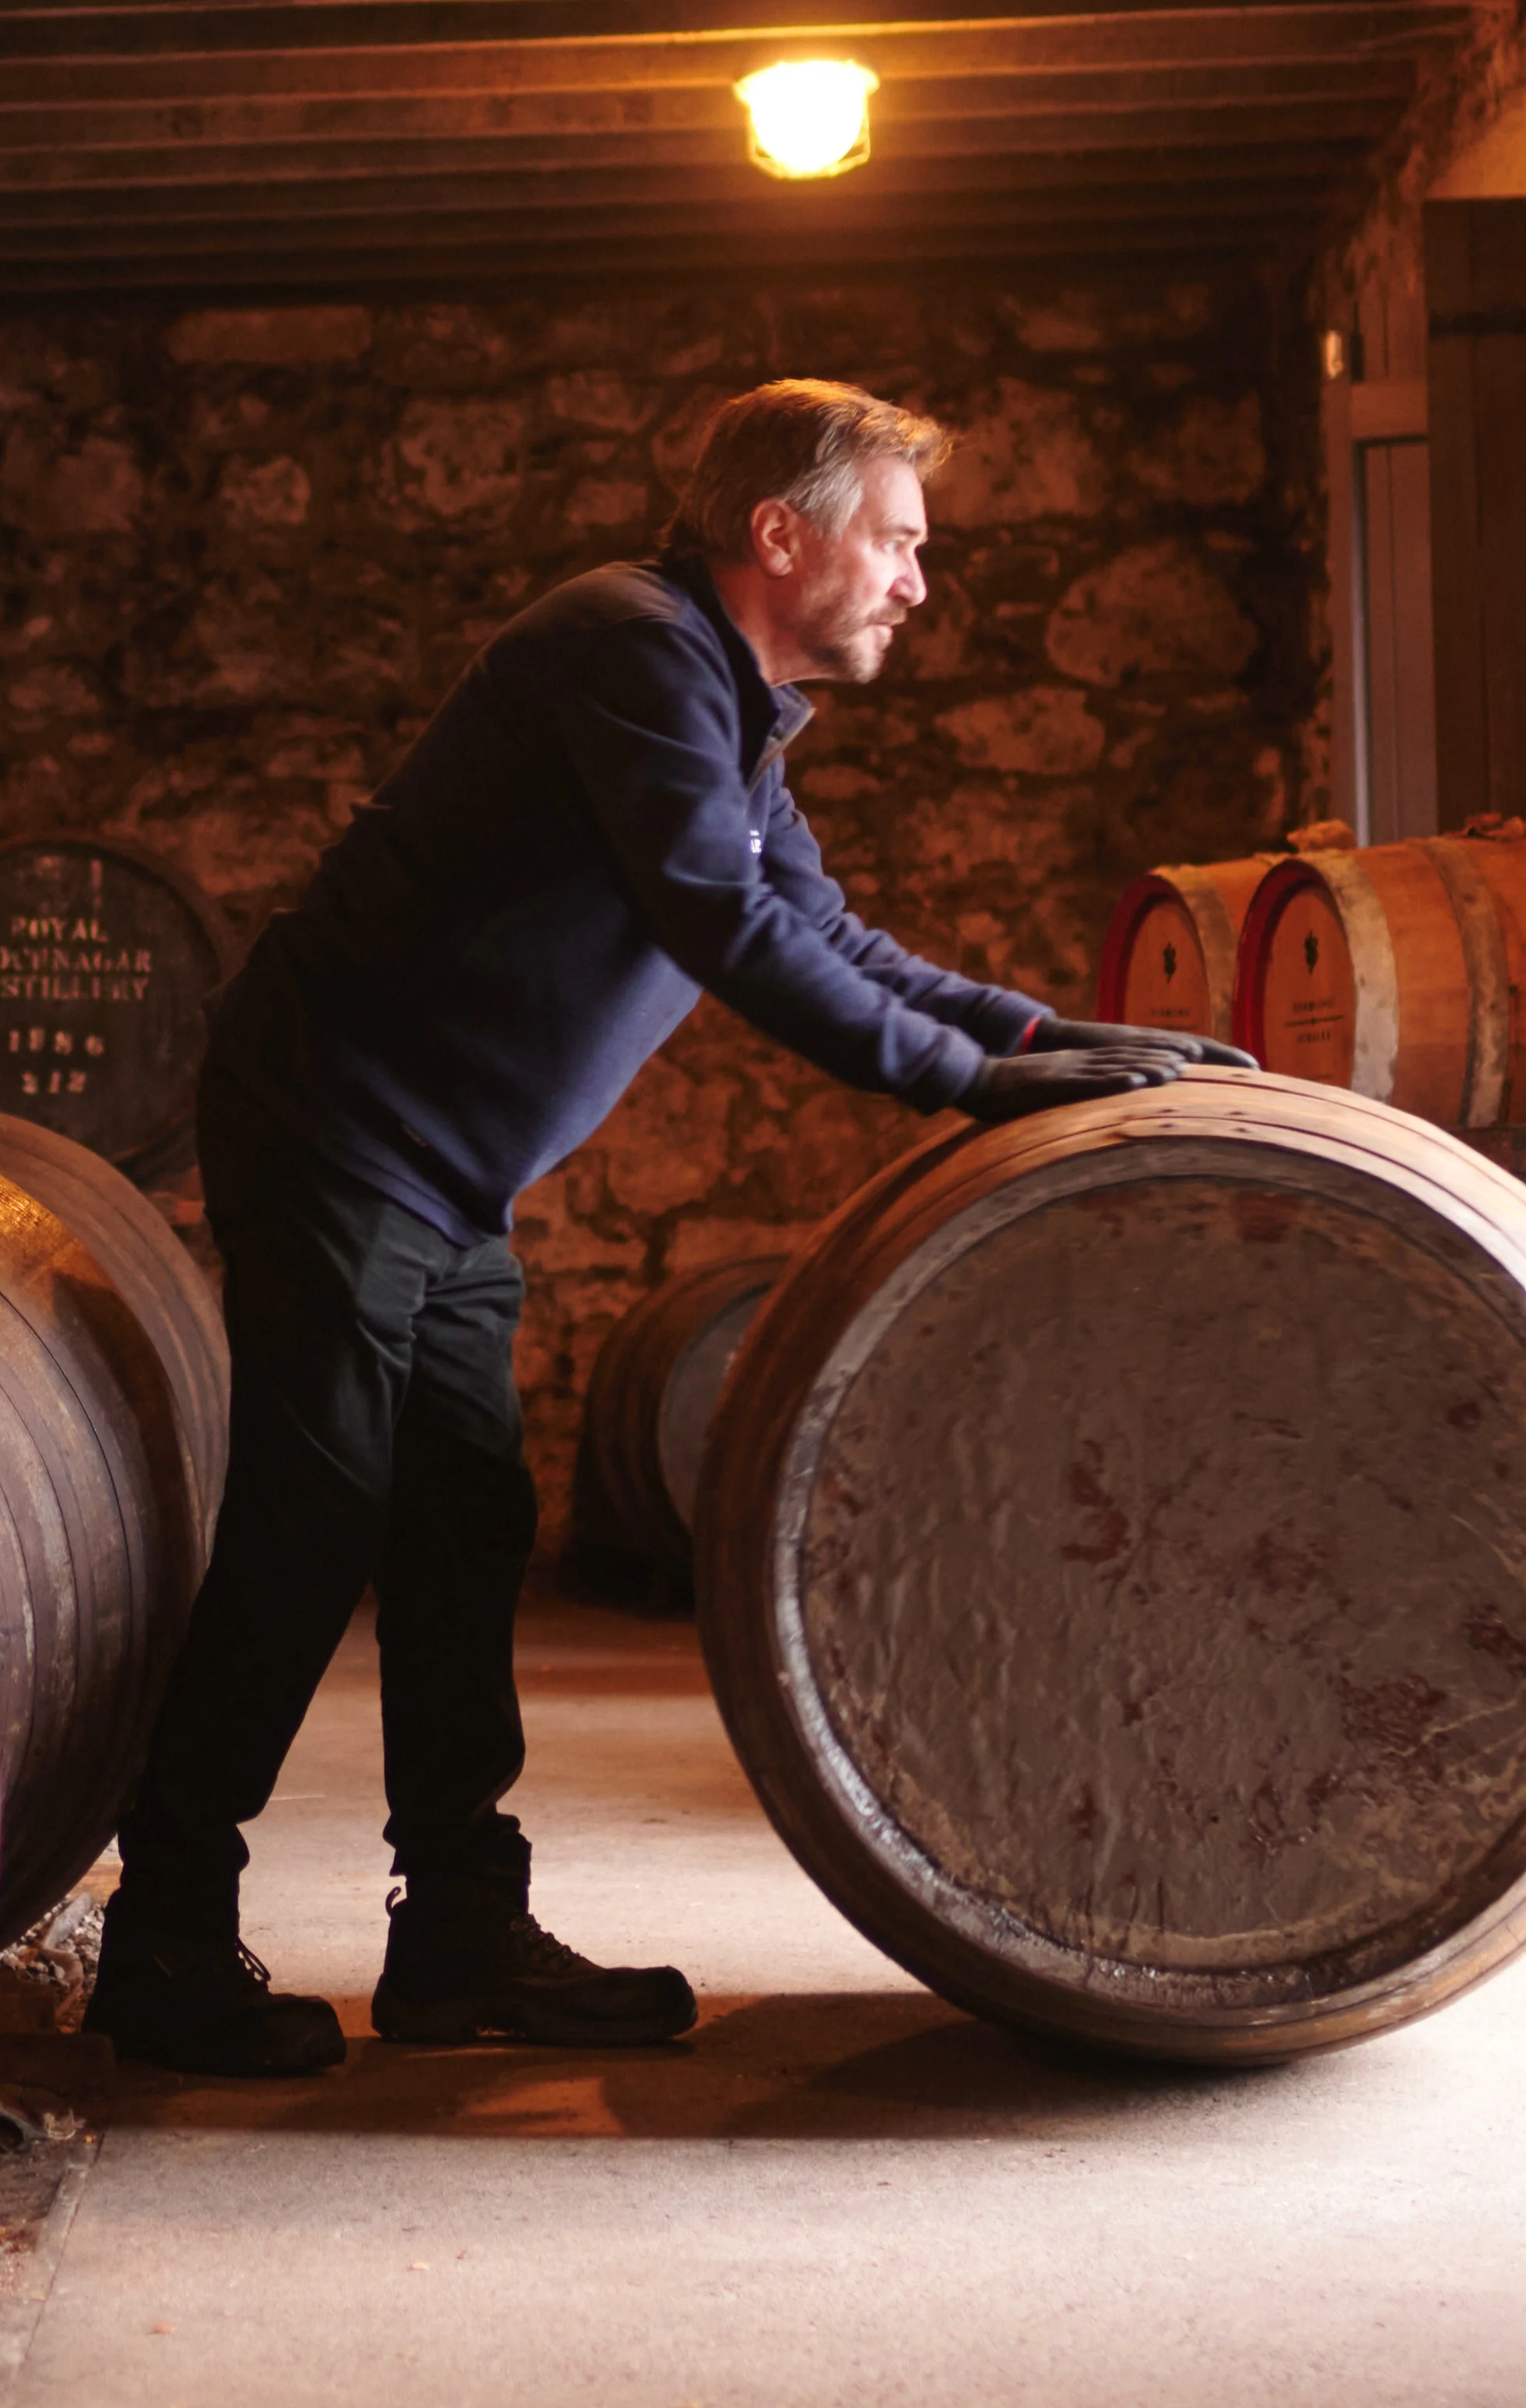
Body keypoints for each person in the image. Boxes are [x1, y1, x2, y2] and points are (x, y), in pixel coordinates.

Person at [87, 379, 1249, 2077]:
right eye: (899, 542)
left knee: (466, 1520)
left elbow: (829, 932)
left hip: (439, 1164)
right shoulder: (624, 649)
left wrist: (1042, 1041)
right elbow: (719, 922)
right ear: (781, 535)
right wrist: (961, 1093)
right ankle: (166, 1938)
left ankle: (459, 1931)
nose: (920, 582)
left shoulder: (728, 708)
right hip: (339, 1125)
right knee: (315, 1510)